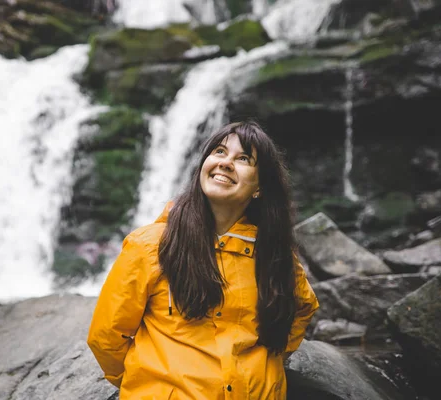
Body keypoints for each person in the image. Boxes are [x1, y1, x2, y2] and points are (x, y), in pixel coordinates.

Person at [87, 121, 319, 399]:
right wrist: (145, 384)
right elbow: (106, 336)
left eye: (244, 158)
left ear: (261, 186)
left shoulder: (274, 252)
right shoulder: (150, 245)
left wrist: (269, 365)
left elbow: (303, 308)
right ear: (203, 166)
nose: (226, 163)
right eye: (219, 152)